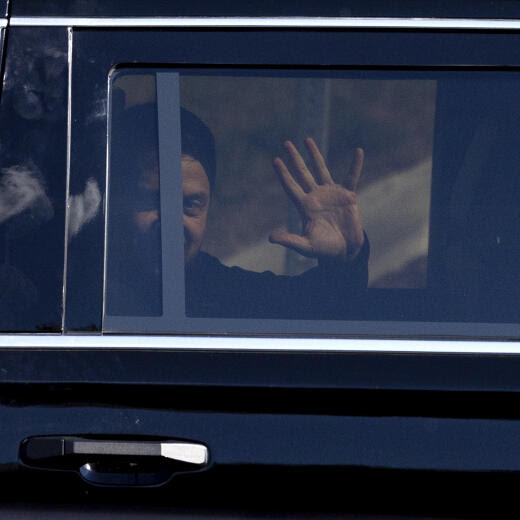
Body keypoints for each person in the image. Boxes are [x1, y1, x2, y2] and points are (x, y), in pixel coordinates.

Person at [107, 102, 369, 319]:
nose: (172, 222)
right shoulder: (81, 293)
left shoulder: (223, 293)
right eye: (152, 200)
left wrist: (344, 261)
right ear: (114, 201)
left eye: (191, 205)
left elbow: (320, 310)